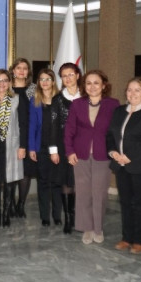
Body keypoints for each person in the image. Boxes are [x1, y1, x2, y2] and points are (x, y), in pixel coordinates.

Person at [107, 77, 141, 254]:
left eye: (137, 90)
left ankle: (139, 241)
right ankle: (126, 238)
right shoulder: (119, 111)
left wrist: (129, 156)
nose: (132, 93)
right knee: (125, 203)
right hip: (121, 165)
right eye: (129, 90)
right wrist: (113, 152)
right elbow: (110, 135)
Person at [65, 69, 119, 245]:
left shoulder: (113, 104)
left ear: (104, 86)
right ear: (84, 86)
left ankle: (98, 228)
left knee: (99, 193)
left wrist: (116, 151)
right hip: (80, 154)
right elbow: (69, 130)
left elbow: (116, 131)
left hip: (103, 154)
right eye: (88, 83)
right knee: (83, 192)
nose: (92, 86)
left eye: (96, 83)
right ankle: (87, 228)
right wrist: (69, 151)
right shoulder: (77, 104)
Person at [0, 69, 27, 227]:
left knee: (10, 181)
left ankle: (6, 214)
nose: (1, 83)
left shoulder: (17, 99)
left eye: (5, 80)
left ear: (9, 83)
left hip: (12, 145)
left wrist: (23, 146)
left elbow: (23, 124)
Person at [28, 68, 64, 227]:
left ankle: (57, 215)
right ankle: (45, 216)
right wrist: (31, 148)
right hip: (41, 146)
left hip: (58, 146)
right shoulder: (34, 100)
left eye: (48, 79)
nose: (44, 82)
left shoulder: (60, 99)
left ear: (53, 81)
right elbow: (32, 126)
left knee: (57, 181)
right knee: (43, 182)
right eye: (41, 79)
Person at [52, 62, 82, 233]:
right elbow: (53, 127)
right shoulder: (57, 99)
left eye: (71, 74)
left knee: (80, 182)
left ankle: (78, 216)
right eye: (64, 76)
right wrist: (53, 151)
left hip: (83, 146)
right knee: (66, 182)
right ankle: (68, 218)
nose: (68, 78)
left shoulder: (86, 97)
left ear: (77, 75)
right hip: (63, 147)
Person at [10, 57, 37, 218]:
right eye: (18, 68)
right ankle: (11, 204)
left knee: (25, 171)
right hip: (9, 136)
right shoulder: (6, 87)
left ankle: (21, 204)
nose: (21, 71)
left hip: (28, 135)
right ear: (13, 70)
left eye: (25, 68)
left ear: (28, 72)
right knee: (11, 170)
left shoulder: (34, 89)